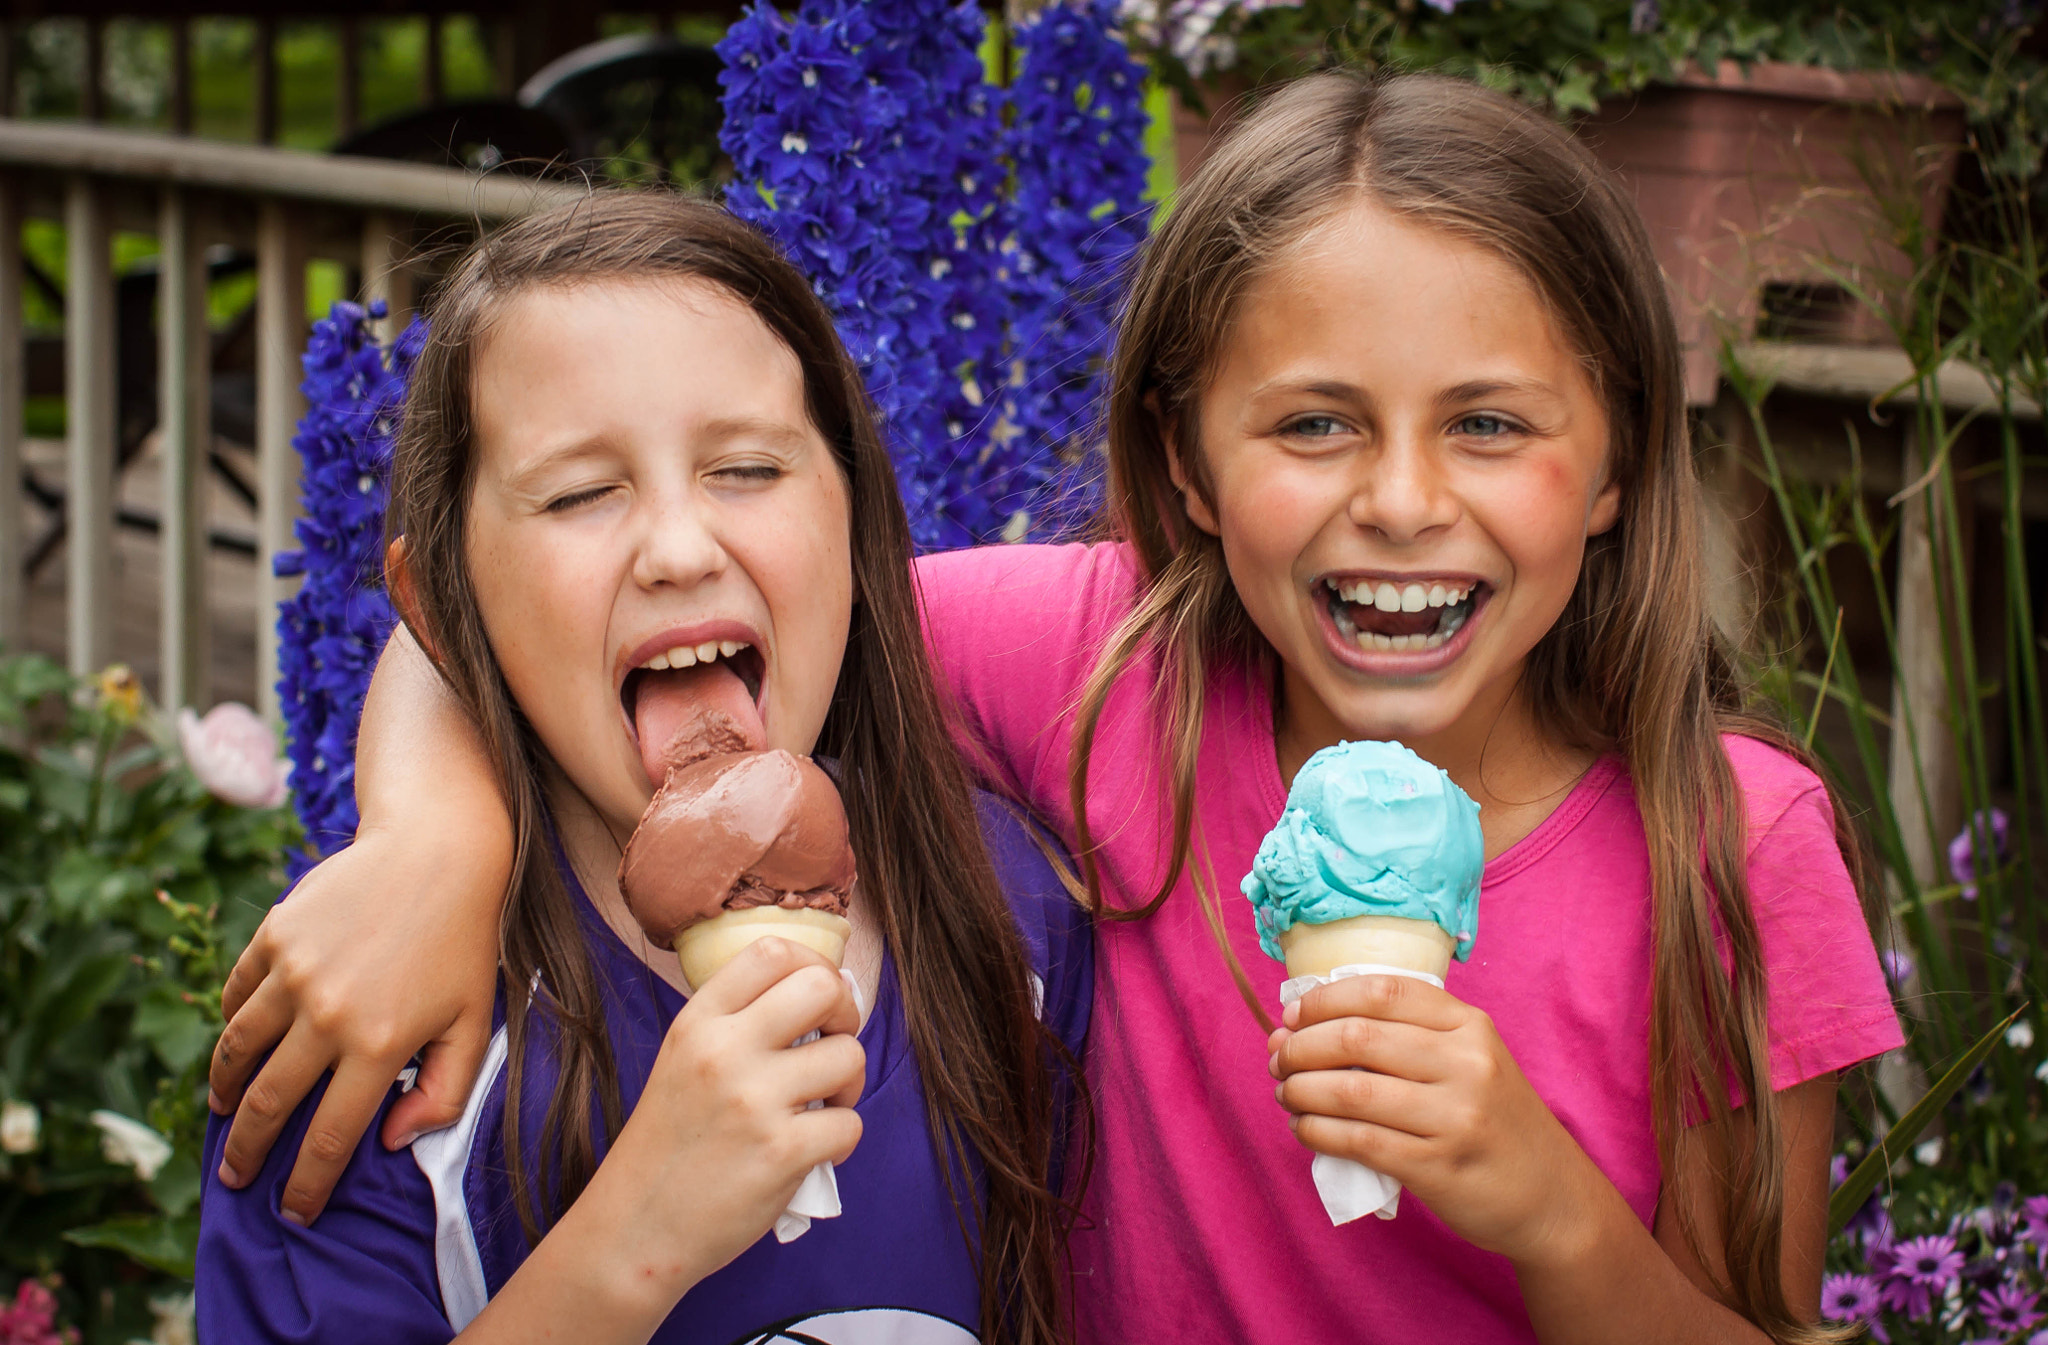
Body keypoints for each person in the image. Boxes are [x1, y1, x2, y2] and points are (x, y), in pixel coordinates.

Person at [207, 73, 1900, 1343]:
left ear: (1612, 461)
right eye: (1310, 424)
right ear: (1184, 460)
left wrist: (1550, 1219)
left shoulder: (1730, 848)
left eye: (1490, 425)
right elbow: (652, 609)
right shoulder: (1112, 672)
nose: (1396, 500)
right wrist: (434, 838)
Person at [195, 192, 1090, 1345]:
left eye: (750, 469)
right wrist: (631, 1243)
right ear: (439, 605)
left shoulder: (1015, 918)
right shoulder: (375, 1034)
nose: (678, 549)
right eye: (577, 493)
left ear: (861, 520)